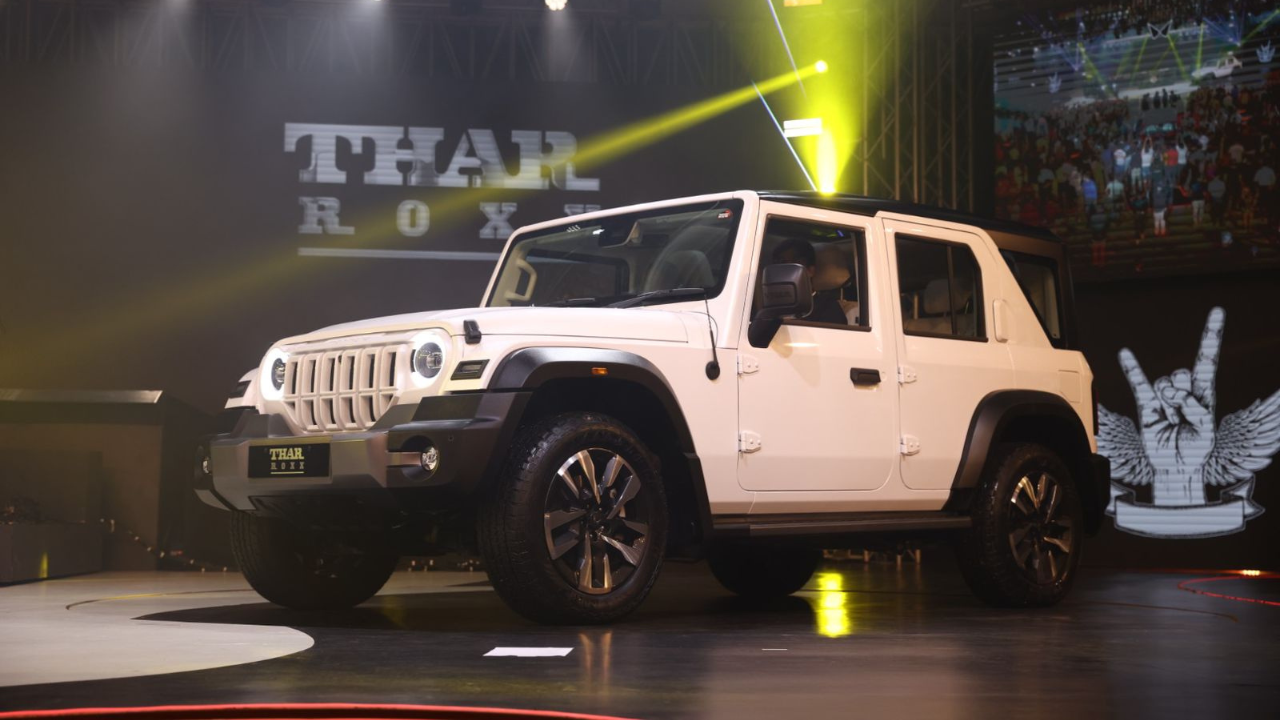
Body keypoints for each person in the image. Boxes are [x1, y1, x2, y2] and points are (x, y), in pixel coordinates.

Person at [770, 238, 847, 325]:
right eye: (776, 267)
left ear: (810, 271)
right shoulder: (771, 306)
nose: (779, 273)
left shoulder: (828, 308)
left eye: (787, 266)